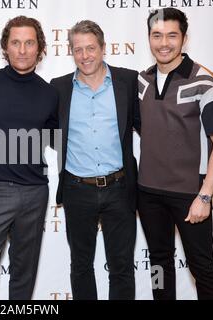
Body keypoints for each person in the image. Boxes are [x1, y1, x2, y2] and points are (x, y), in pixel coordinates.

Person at [137, 8, 213, 300]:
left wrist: (205, 196)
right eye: (157, 35)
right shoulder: (141, 81)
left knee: (202, 267)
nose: (163, 43)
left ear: (184, 39)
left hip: (190, 194)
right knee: (159, 265)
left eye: (171, 35)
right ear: (149, 38)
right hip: (148, 192)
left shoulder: (205, 80)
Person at [0, 15, 58, 300]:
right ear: (5, 47)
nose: (22, 49)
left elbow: (55, 136)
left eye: (29, 43)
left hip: (35, 192)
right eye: (15, 42)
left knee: (24, 271)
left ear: (39, 48)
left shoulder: (50, 93)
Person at [50, 20, 140, 300]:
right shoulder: (59, 88)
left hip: (120, 188)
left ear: (103, 48)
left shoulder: (128, 80)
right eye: (78, 50)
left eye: (91, 48)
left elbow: (151, 125)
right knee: (80, 266)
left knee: (122, 267)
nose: (85, 55)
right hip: (77, 189)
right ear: (71, 52)